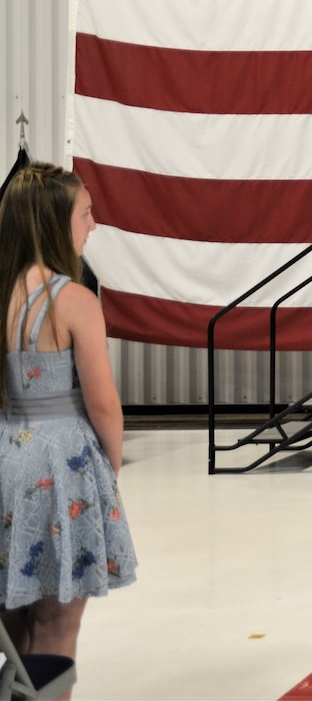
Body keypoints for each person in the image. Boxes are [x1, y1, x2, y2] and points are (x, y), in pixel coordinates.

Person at [0, 163, 137, 669]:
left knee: (13, 626)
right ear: (56, 223)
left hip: (5, 455)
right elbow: (102, 402)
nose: (93, 225)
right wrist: (111, 468)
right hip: (59, 465)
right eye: (86, 213)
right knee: (57, 625)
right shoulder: (72, 299)